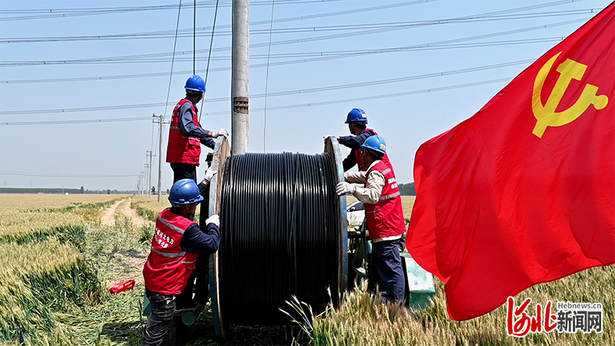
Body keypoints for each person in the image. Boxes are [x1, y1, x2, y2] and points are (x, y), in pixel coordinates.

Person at [141, 179, 220, 346]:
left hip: (153, 277)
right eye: (195, 204)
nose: (196, 207)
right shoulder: (187, 230)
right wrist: (213, 225)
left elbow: (185, 197)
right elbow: (213, 244)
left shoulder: (164, 215)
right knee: (155, 336)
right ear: (187, 207)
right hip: (165, 289)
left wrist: (204, 183)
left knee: (159, 326)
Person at [336, 135, 405, 303]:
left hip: (385, 230)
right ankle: (389, 301)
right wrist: (343, 176)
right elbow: (364, 176)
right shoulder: (381, 168)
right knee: (387, 269)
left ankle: (396, 306)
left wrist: (352, 189)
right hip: (392, 228)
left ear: (367, 152)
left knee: (391, 271)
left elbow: (373, 195)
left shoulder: (376, 172)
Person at [166, 75, 229, 183]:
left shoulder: (188, 108)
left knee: (188, 192)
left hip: (185, 158)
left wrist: (218, 147)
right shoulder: (187, 106)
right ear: (201, 94)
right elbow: (189, 129)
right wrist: (213, 133)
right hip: (183, 158)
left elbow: (199, 134)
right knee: (187, 193)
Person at [337, 108, 394, 174]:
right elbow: (349, 162)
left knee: (347, 179)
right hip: (373, 176)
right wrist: (334, 172)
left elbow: (356, 142)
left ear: (353, 124)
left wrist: (339, 139)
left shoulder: (369, 136)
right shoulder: (357, 145)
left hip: (382, 176)